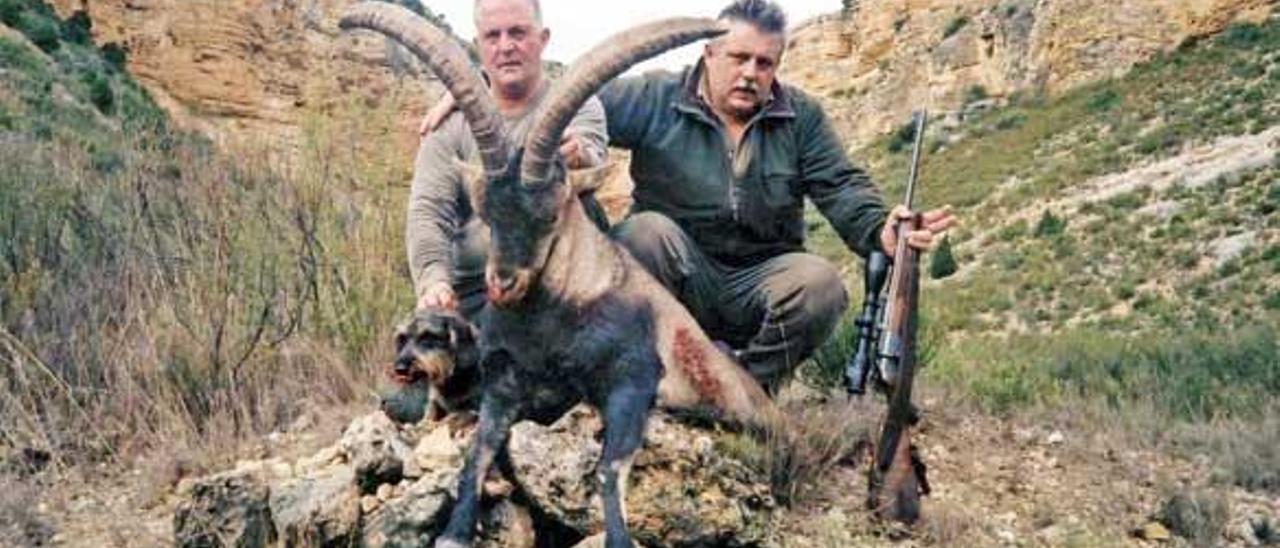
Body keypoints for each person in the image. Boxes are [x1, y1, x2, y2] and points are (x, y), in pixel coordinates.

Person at [601, 0, 955, 393]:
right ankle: (647, 375)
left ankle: (743, 389)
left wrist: (878, 229)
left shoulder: (800, 117)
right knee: (644, 234)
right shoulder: (654, 96)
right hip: (679, 273)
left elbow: (840, 185)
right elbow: (587, 105)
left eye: (764, 63)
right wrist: (572, 142)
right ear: (709, 53)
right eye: (738, 58)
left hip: (758, 282)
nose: (750, 73)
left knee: (820, 284)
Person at [408, 0, 608, 320]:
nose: (505, 46)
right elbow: (429, 210)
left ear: (543, 39)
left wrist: (579, 154)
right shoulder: (449, 123)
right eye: (492, 36)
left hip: (556, 285)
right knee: (427, 344)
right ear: (478, 46)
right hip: (478, 289)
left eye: (517, 32)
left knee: (594, 213)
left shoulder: (578, 106)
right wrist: (434, 281)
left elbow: (592, 155)